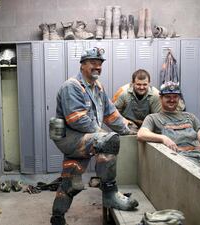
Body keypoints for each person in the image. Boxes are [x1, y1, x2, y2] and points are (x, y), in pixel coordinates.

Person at [49, 47, 138, 225]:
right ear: (82, 65)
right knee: (108, 141)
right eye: (93, 63)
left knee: (71, 183)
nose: (97, 67)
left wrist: (128, 129)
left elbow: (111, 114)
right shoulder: (72, 86)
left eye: (100, 64)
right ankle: (111, 194)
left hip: (83, 139)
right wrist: (103, 136)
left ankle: (57, 217)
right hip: (70, 138)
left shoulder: (98, 87)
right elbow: (77, 119)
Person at [137, 81, 200, 185]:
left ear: (179, 98)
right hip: (182, 163)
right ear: (161, 98)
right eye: (168, 97)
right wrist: (163, 138)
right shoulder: (153, 118)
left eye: (175, 96)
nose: (172, 99)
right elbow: (141, 134)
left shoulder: (190, 117)